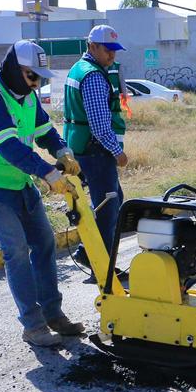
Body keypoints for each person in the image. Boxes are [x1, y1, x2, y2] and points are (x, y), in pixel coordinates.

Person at [0, 40, 85, 348]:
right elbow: (9, 147)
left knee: (44, 243)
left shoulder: (26, 97)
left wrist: (63, 151)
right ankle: (33, 324)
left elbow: (45, 132)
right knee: (15, 250)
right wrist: (49, 174)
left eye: (40, 77)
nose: (36, 83)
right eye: (32, 76)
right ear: (16, 70)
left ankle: (53, 314)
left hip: (17, 182)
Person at [64, 25, 127, 281]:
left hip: (80, 148)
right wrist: (118, 152)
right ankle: (101, 266)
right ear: (92, 47)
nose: (112, 55)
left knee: (107, 202)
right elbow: (100, 125)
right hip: (96, 151)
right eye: (107, 49)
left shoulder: (78, 69)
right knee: (108, 206)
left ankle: (87, 253)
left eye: (114, 50)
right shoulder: (93, 76)